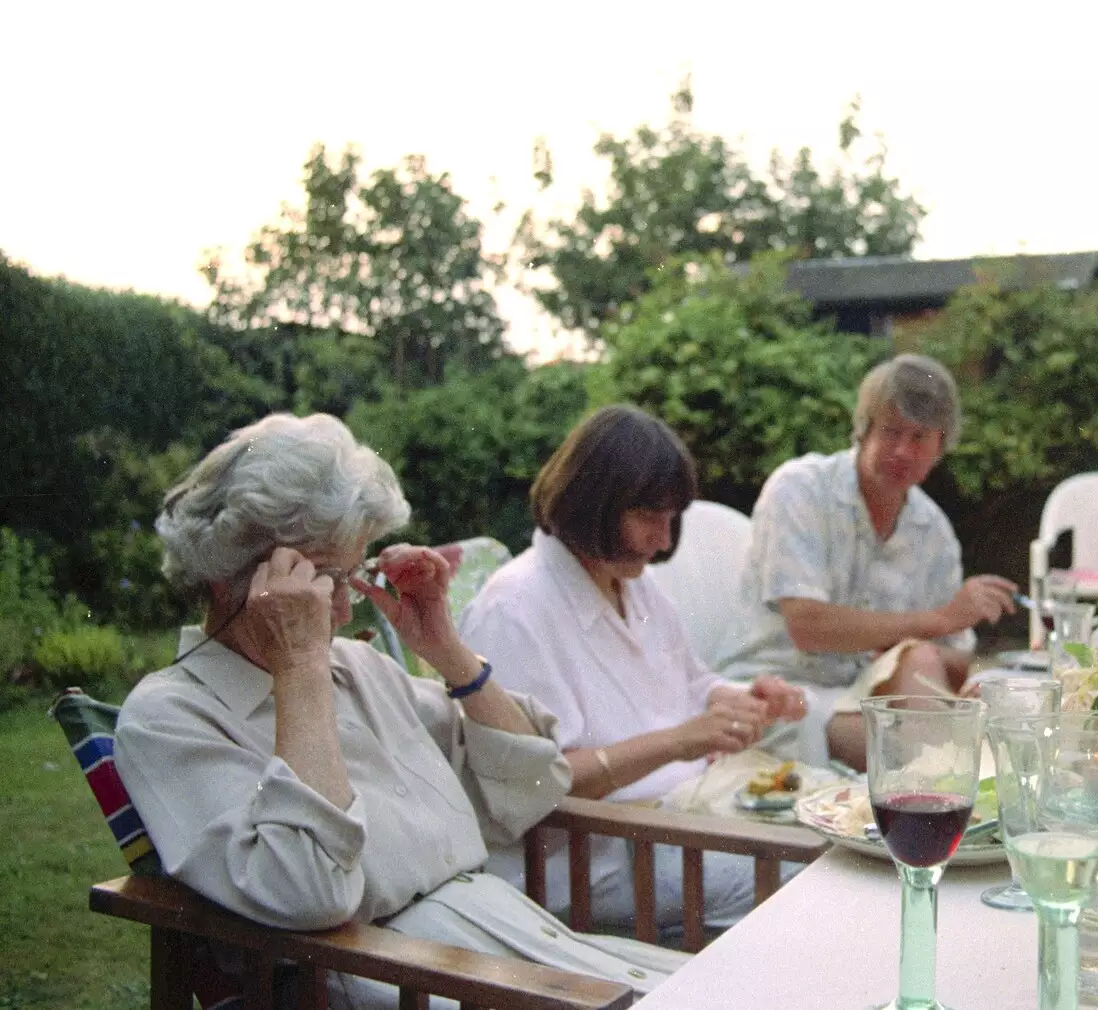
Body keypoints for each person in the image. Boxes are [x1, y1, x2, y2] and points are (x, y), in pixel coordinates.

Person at [114, 413, 686, 1010]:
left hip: (511, 948)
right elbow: (312, 891)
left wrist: (446, 651)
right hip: (401, 983)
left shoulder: (357, 670)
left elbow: (534, 783)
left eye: (351, 575)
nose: (342, 608)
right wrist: (299, 669)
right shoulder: (170, 717)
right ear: (238, 577)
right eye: (323, 580)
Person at [457, 404, 809, 932]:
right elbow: (533, 786)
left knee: (839, 825)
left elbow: (690, 682)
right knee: (805, 874)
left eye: (672, 520)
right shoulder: (515, 612)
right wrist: (679, 741)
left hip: (674, 822)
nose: (665, 541)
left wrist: (738, 698)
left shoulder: (633, 585)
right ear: (590, 503)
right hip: (587, 862)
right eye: (649, 517)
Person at [720, 353, 1017, 769]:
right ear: (863, 430)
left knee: (931, 675)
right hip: (778, 692)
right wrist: (935, 621)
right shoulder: (801, 490)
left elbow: (952, 661)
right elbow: (808, 626)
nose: (902, 450)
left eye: (919, 437)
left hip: (865, 695)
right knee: (925, 761)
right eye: (891, 431)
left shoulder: (933, 532)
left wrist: (938, 664)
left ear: (940, 447)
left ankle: (954, 788)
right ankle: (945, 791)